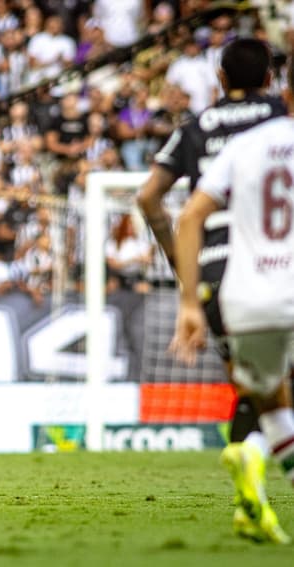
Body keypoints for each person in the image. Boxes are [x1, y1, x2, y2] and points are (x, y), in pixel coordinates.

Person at [137, 38, 287, 538]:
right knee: (270, 390)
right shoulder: (279, 121)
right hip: (275, 264)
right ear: (270, 78)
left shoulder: (195, 128)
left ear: (220, 79)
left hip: (215, 273)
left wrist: (184, 271)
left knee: (252, 386)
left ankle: (249, 502)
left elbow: (150, 198)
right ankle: (252, 463)